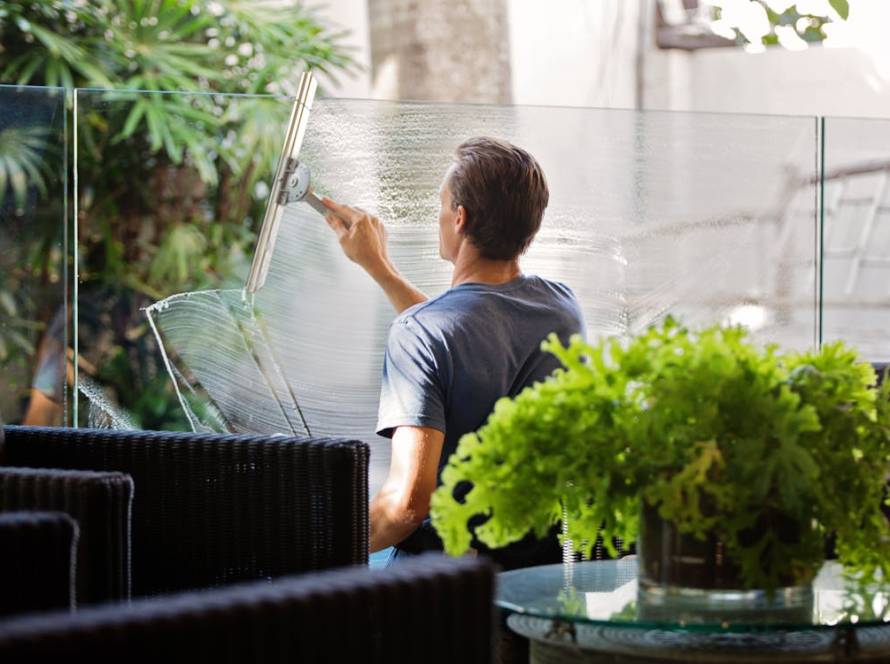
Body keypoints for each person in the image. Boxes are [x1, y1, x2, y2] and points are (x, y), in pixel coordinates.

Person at [321, 137, 585, 569]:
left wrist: (312, 543)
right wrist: (380, 268)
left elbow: (406, 506)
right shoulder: (562, 309)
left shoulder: (422, 333)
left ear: (460, 219)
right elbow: (469, 332)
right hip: (538, 573)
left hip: (446, 585)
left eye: (441, 206)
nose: (439, 216)